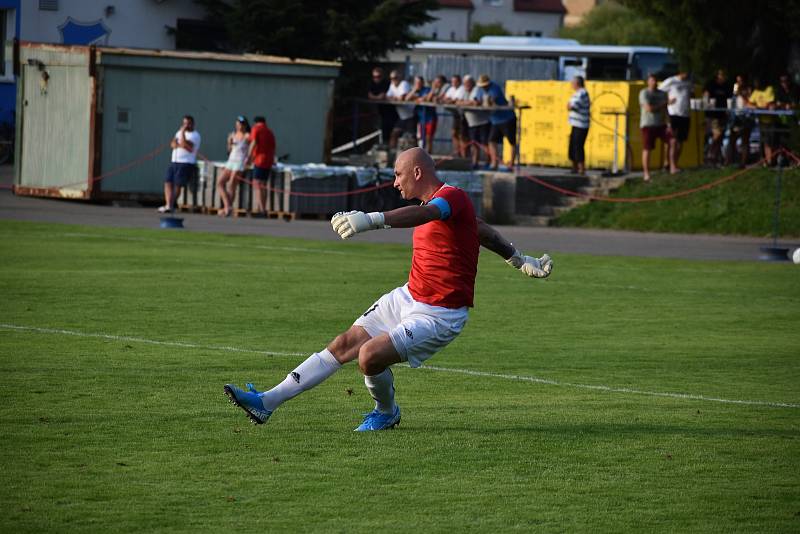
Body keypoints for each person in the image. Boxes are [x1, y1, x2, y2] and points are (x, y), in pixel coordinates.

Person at [223, 147, 553, 431]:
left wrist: (373, 219)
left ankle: (386, 412)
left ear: (418, 172)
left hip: (440, 315)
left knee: (368, 357)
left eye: (399, 175)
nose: (395, 182)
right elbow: (482, 231)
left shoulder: (449, 198)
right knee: (344, 344)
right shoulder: (452, 208)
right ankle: (266, 401)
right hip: (409, 295)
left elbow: (426, 214)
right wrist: (517, 258)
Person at [158, 115, 201, 213]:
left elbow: (187, 146)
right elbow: (173, 144)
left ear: (192, 124)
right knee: (168, 181)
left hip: (186, 162)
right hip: (175, 161)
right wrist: (179, 143)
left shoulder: (195, 135)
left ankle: (171, 205)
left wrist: (182, 134)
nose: (186, 125)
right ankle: (168, 204)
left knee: (178, 184)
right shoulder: (178, 133)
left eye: (188, 123)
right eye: (184, 123)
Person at [475, 74, 517, 170]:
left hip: (507, 118)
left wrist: (486, 102)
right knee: (491, 141)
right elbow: (477, 99)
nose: (483, 87)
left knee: (511, 141)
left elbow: (491, 101)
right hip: (495, 120)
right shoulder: (480, 90)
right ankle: (494, 163)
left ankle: (511, 163)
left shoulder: (495, 87)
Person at [215, 116, 250, 218]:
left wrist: (248, 161)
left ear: (245, 125)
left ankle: (227, 209)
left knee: (231, 184)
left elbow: (251, 149)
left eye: (242, 124)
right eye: (238, 124)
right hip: (231, 161)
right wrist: (229, 143)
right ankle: (227, 206)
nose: (239, 126)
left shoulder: (247, 136)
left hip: (239, 162)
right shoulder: (233, 135)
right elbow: (229, 151)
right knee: (220, 182)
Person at [639, 74, 671, 181]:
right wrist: (664, 104)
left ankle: (668, 165)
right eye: (652, 80)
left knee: (672, 141)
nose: (654, 82)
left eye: (656, 80)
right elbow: (649, 108)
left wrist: (669, 123)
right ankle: (646, 173)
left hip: (661, 124)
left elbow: (666, 110)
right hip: (648, 124)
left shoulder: (662, 94)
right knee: (647, 148)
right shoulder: (644, 93)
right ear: (648, 82)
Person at [659, 71, 692, 173]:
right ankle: (666, 163)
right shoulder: (671, 81)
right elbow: (659, 91)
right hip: (673, 113)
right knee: (670, 140)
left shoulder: (689, 82)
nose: (687, 75)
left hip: (685, 114)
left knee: (680, 140)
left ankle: (675, 164)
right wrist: (667, 102)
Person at [459, 75, 491, 168]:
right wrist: (464, 102)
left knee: (484, 143)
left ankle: (488, 162)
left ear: (472, 83)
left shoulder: (477, 89)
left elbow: (475, 102)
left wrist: (464, 103)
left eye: (468, 83)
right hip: (471, 122)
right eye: (465, 83)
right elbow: (456, 101)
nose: (466, 85)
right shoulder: (464, 91)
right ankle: (475, 162)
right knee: (474, 143)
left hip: (482, 121)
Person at [247, 116, 276, 215]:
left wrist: (248, 158)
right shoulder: (270, 132)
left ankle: (262, 209)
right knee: (263, 185)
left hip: (259, 160)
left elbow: (253, 142)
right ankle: (262, 208)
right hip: (268, 160)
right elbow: (273, 147)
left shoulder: (256, 129)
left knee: (257, 184)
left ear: (256, 122)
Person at [703, 70, 732, 165]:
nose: (723, 77)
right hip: (712, 114)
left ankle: (715, 157)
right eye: (721, 75)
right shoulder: (711, 84)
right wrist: (706, 102)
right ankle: (710, 153)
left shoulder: (727, 85)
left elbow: (729, 98)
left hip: (723, 114)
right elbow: (705, 95)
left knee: (721, 136)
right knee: (717, 134)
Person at [749, 77, 777, 165]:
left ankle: (772, 161)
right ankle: (768, 161)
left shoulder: (769, 89)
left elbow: (769, 105)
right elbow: (749, 103)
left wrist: (758, 107)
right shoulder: (756, 91)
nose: (755, 85)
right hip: (762, 121)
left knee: (771, 141)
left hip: (771, 120)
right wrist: (757, 107)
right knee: (765, 141)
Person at [727, 75, 753, 167]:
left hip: (745, 117)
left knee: (744, 140)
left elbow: (750, 102)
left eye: (740, 81)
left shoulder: (748, 89)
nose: (739, 83)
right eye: (737, 81)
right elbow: (733, 99)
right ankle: (729, 161)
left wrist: (740, 93)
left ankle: (743, 162)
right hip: (735, 117)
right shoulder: (735, 88)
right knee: (732, 139)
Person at [566, 75, 590, 175]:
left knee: (578, 146)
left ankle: (581, 168)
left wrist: (569, 106)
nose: (571, 85)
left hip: (581, 124)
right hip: (575, 124)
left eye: (573, 83)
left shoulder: (582, 93)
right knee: (572, 146)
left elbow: (573, 106)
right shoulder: (577, 93)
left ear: (577, 83)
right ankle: (574, 167)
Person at [406, 76, 438, 150]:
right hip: (421, 119)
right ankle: (421, 154)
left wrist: (420, 98)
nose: (418, 84)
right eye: (416, 83)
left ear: (423, 83)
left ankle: (429, 156)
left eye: (419, 83)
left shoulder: (427, 89)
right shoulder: (414, 91)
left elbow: (428, 98)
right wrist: (414, 90)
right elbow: (407, 98)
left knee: (428, 138)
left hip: (430, 118)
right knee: (420, 138)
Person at [367, 67, 397, 145]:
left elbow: (382, 96)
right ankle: (382, 145)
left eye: (378, 77)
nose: (376, 79)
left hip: (390, 111)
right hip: (379, 111)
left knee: (389, 130)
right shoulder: (371, 83)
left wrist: (375, 97)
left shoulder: (386, 83)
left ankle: (388, 147)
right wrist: (377, 97)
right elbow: (370, 95)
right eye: (374, 77)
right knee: (381, 129)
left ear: (382, 76)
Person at [386, 70, 415, 149]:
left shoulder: (404, 84)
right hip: (402, 116)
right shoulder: (392, 85)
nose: (393, 79)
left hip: (411, 116)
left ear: (399, 77)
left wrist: (394, 98)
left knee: (411, 139)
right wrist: (395, 98)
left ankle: (417, 157)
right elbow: (387, 97)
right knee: (394, 134)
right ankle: (392, 156)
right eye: (391, 78)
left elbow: (402, 98)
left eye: (395, 78)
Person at [443, 74, 468, 157]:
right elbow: (445, 98)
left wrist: (450, 100)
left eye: (455, 81)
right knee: (454, 134)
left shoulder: (462, 89)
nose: (453, 83)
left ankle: (464, 156)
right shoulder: (451, 89)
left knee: (462, 136)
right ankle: (457, 154)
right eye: (452, 81)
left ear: (459, 82)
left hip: (463, 115)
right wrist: (449, 100)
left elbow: (456, 100)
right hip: (456, 115)